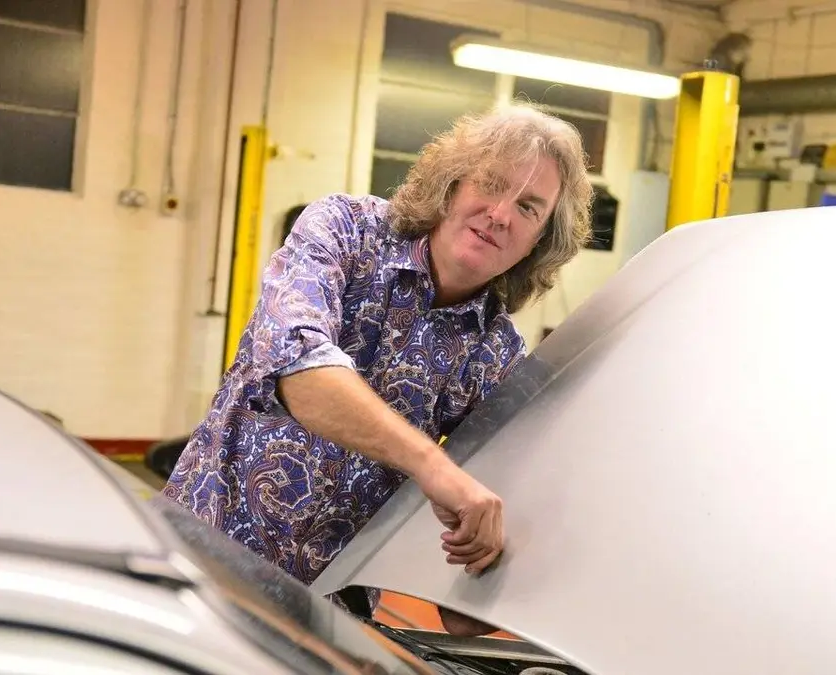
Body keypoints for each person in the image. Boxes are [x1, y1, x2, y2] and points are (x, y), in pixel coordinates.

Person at [162, 103, 594, 634]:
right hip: (196, 570)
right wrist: (433, 467)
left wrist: (501, 553)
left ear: (540, 241)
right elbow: (300, 370)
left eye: (528, 208)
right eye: (492, 184)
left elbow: (463, 615)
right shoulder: (344, 231)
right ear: (452, 183)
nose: (501, 214)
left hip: (324, 626)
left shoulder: (495, 355)